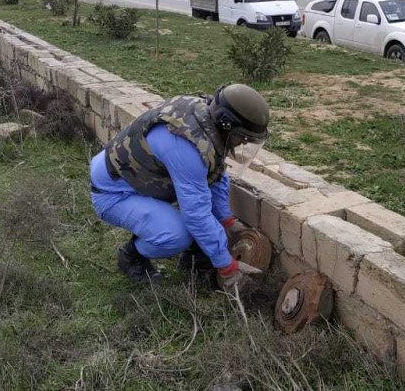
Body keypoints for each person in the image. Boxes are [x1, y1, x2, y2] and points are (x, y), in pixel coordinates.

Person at [89, 84, 270, 290]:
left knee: (204, 219)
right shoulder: (185, 147)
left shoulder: (206, 118)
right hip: (114, 192)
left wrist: (227, 221)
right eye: (243, 137)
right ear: (226, 124)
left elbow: (215, 174)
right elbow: (196, 215)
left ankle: (193, 261)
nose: (244, 143)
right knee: (178, 234)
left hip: (139, 179)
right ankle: (132, 256)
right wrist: (227, 267)